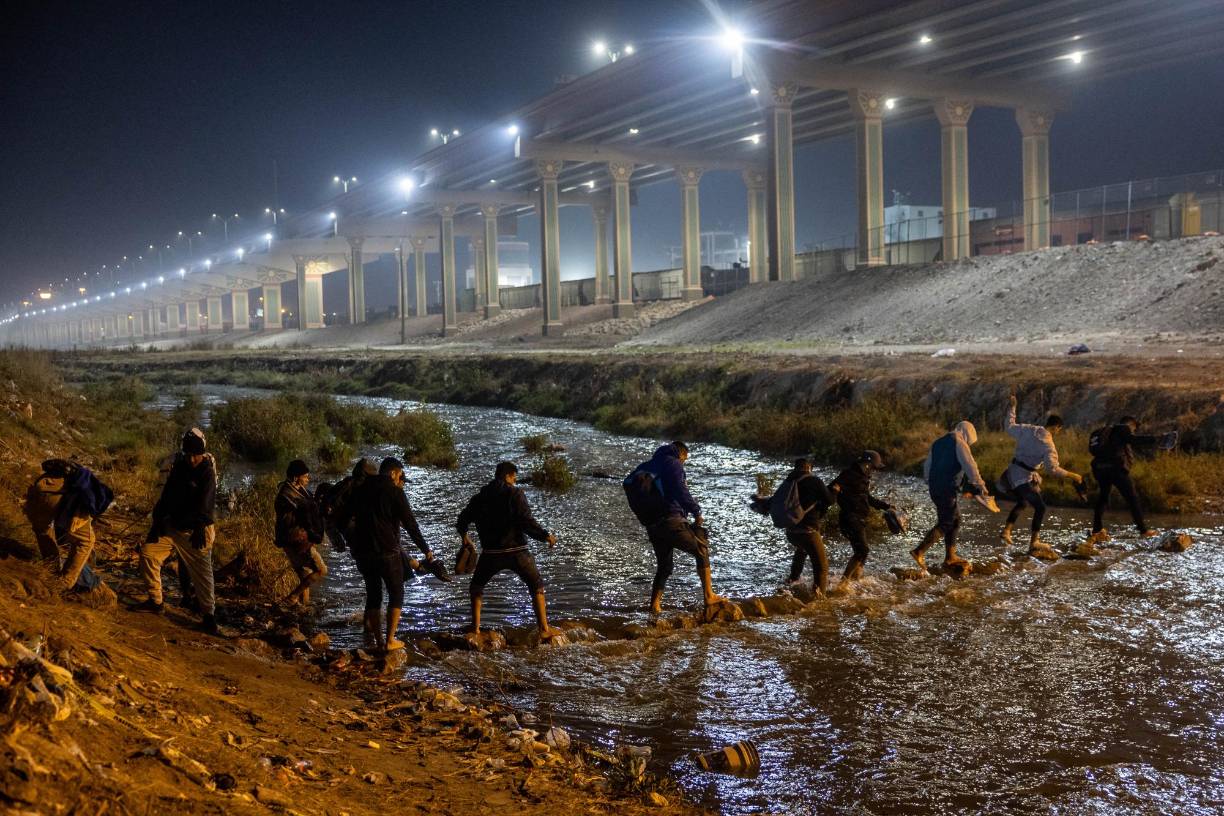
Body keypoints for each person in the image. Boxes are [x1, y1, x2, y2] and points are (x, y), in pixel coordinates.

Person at [339, 457, 435, 651]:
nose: (400, 477)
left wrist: (352, 542)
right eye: (400, 474)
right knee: (396, 593)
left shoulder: (359, 490)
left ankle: (378, 640)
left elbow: (342, 518)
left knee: (374, 595)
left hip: (364, 552)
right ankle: (390, 640)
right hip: (387, 552)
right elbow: (410, 525)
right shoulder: (394, 492)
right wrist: (426, 549)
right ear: (393, 473)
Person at [457, 461, 561, 639]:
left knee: (476, 587)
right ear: (507, 476)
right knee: (536, 585)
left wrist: (465, 537)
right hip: (518, 551)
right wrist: (545, 536)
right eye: (514, 476)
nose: (515, 480)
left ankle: (475, 629)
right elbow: (526, 521)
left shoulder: (480, 497)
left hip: (490, 553)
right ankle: (544, 629)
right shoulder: (515, 493)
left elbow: (463, 519)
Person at [134, 428, 219, 634]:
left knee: (202, 575)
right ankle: (156, 602)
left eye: (195, 455)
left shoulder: (207, 471)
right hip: (172, 526)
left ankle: (209, 617)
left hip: (196, 531)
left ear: (202, 453)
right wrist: (156, 524)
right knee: (148, 554)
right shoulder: (179, 466)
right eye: (189, 455)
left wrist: (200, 526)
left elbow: (206, 504)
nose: (192, 459)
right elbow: (166, 497)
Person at [625, 442, 724, 614]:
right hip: (671, 520)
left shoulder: (646, 466)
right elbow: (680, 489)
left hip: (652, 525)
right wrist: (696, 511)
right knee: (701, 548)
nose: (684, 463)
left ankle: (655, 606)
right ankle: (709, 596)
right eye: (685, 459)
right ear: (681, 453)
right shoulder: (673, 463)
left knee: (664, 566)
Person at [999, 395, 1083, 559]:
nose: (1058, 432)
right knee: (1041, 507)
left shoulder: (1029, 429)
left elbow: (1009, 426)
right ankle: (1034, 542)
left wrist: (1013, 407)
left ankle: (1006, 531)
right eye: (1059, 430)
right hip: (1021, 477)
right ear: (1057, 427)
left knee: (1023, 502)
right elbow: (1053, 469)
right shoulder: (1048, 445)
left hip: (1012, 472)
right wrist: (1074, 476)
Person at [24, 458, 113, 594]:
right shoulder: (96, 499)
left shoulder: (88, 481)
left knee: (43, 529)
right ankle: (64, 583)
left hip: (39, 488)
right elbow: (81, 513)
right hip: (58, 495)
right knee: (86, 541)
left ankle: (51, 568)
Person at [912, 421, 993, 572]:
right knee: (947, 522)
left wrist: (929, 481)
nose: (969, 443)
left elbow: (927, 465)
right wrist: (980, 485)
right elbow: (970, 465)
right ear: (967, 433)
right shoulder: (959, 442)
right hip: (946, 488)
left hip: (935, 487)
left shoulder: (938, 442)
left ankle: (950, 556)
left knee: (955, 519)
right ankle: (919, 551)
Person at [1090, 416, 1172, 538]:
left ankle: (1096, 530)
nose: (1133, 430)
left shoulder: (1105, 432)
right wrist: (1157, 439)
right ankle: (1143, 530)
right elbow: (1134, 440)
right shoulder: (1123, 428)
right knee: (1132, 498)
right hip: (1115, 469)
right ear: (1130, 424)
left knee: (1103, 497)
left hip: (1099, 468)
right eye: (1134, 428)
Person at [764, 458, 834, 596]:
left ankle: (792, 580)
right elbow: (830, 500)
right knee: (822, 567)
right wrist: (836, 490)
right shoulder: (815, 481)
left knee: (802, 550)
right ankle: (819, 599)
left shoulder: (788, 482)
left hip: (791, 532)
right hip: (808, 532)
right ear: (809, 468)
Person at [829, 451, 891, 584]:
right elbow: (831, 487)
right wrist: (836, 490)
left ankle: (855, 580)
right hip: (850, 518)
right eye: (874, 467)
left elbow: (867, 498)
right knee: (862, 550)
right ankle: (843, 583)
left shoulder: (862, 477)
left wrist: (887, 506)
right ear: (867, 464)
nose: (874, 471)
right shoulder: (849, 474)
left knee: (862, 552)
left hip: (858, 519)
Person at [274, 459, 328, 608]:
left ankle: (303, 609)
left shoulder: (298, 490)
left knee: (305, 577)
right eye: (305, 476)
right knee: (321, 570)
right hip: (295, 540)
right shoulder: (286, 494)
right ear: (296, 477)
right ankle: (292, 597)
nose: (307, 479)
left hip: (296, 539)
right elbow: (303, 509)